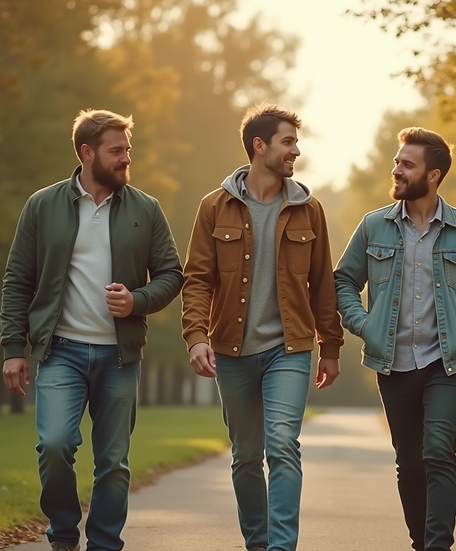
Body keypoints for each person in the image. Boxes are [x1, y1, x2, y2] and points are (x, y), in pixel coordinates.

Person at [0, 109, 183, 551]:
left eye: (127, 150)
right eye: (116, 151)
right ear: (87, 153)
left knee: (114, 462)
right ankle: (63, 535)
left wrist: (136, 300)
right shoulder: (42, 205)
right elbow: (18, 279)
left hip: (119, 357)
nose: (125, 159)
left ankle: (104, 544)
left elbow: (172, 275)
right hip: (60, 351)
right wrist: (13, 346)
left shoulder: (146, 208)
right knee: (55, 446)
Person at [180, 104, 344, 551]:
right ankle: (258, 542)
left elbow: (322, 283)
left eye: (295, 141)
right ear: (260, 145)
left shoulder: (309, 209)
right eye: (287, 141)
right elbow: (196, 279)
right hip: (230, 350)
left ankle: (280, 547)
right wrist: (196, 337)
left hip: (289, 349)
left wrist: (331, 345)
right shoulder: (214, 207)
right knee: (247, 455)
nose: (296, 150)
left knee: (282, 444)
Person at [334, 127, 456, 551]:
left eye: (407, 164)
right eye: (397, 162)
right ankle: (421, 542)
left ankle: (438, 546)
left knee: (439, 454)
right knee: (409, 464)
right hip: (392, 363)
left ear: (433, 174)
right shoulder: (374, 226)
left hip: (445, 363)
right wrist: (364, 324)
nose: (397, 170)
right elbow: (342, 281)